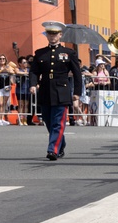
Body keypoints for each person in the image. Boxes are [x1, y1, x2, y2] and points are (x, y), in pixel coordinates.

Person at [29, 22, 82, 160]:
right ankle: (60, 144)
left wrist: (77, 92)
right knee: (49, 121)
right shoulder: (40, 53)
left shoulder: (69, 53)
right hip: (46, 90)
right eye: (50, 33)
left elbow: (77, 74)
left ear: (60, 35)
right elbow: (34, 71)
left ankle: (53, 149)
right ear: (46, 35)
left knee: (58, 122)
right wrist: (33, 84)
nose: (52, 36)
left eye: (55, 34)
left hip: (61, 91)